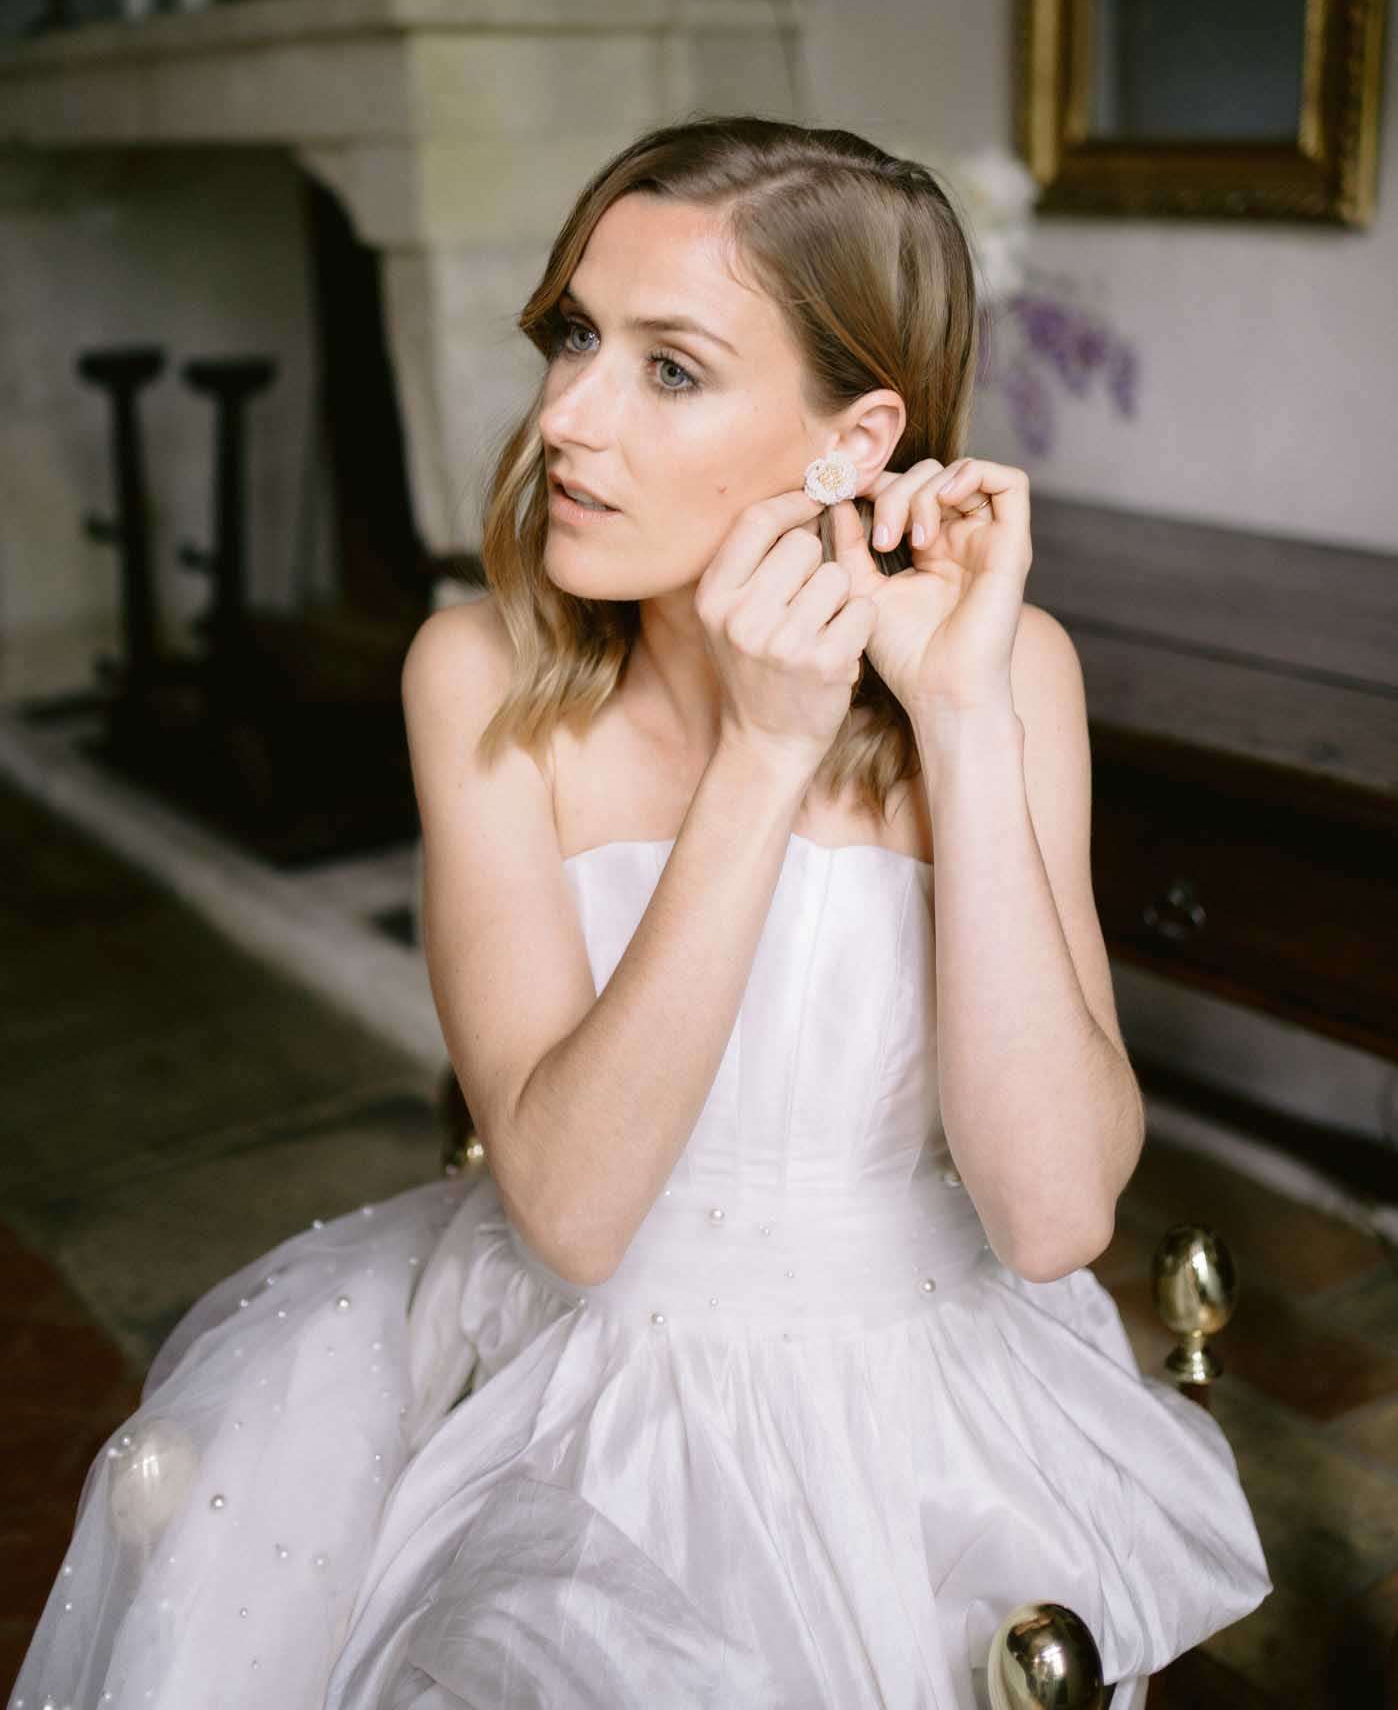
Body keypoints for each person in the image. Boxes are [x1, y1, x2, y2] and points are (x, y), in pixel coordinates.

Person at [15, 117, 1271, 1710]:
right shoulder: (478, 678)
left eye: (668, 368)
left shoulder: (1012, 674)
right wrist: (760, 753)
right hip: (584, 1398)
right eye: (571, 338)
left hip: (938, 1403)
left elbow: (1052, 1220)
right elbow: (577, 1212)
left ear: (854, 437)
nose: (565, 419)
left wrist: (956, 723)